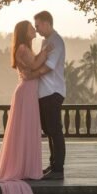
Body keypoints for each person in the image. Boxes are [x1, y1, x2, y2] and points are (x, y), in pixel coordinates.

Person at [0, 20, 52, 194]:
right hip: (25, 92)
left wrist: (40, 65)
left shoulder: (26, 47)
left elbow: (32, 71)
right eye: (31, 28)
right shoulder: (23, 48)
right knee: (24, 130)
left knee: (29, 129)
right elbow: (33, 67)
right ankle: (22, 167)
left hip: (29, 92)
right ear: (24, 32)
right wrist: (45, 55)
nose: (34, 29)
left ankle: (28, 167)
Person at [33, 11, 66, 180]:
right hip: (44, 93)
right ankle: (53, 164)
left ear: (46, 23)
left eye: (38, 25)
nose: (36, 29)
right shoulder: (46, 40)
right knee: (49, 130)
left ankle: (58, 169)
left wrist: (32, 74)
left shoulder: (56, 41)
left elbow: (49, 66)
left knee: (55, 130)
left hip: (53, 91)